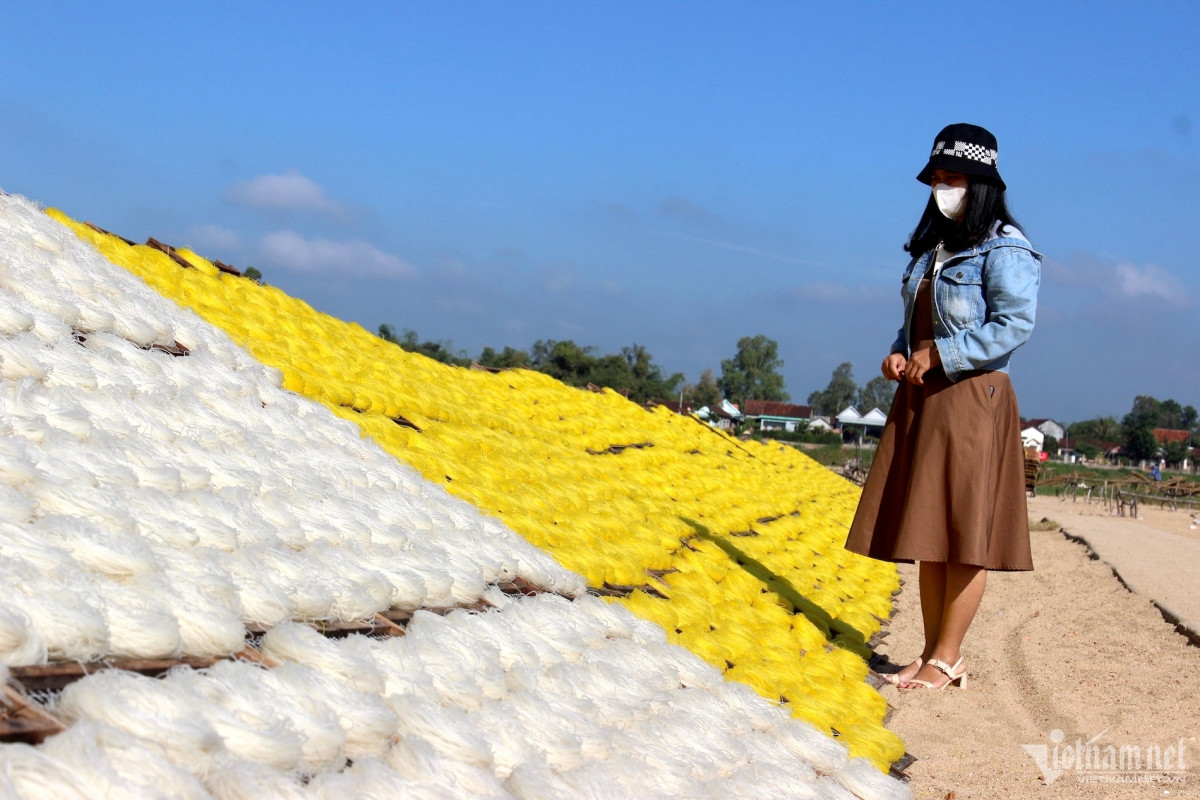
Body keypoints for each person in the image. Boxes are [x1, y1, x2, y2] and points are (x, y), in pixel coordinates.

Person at [844, 123, 1041, 690]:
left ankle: (949, 656)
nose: (940, 187)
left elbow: (1014, 326)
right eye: (935, 178)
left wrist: (944, 354)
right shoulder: (935, 249)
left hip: (973, 398)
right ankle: (930, 653)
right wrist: (899, 353)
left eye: (951, 178)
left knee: (964, 536)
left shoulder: (1006, 247)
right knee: (931, 534)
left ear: (979, 184)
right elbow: (918, 323)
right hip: (925, 397)